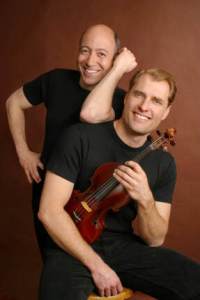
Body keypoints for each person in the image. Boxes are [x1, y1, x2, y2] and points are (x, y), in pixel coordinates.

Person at [38, 68, 200, 300]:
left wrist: (145, 199)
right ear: (126, 97)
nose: (144, 106)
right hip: (69, 243)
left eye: (156, 101)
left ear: (166, 112)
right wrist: (97, 266)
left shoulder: (164, 163)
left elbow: (155, 239)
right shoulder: (80, 137)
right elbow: (49, 212)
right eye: (139, 95)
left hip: (122, 247)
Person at [5, 24, 137, 257]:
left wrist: (118, 70)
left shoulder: (120, 101)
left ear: (115, 59)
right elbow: (13, 102)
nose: (90, 61)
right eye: (85, 50)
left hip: (92, 204)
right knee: (53, 264)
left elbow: (90, 114)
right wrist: (23, 151)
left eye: (101, 54)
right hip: (47, 195)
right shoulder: (56, 79)